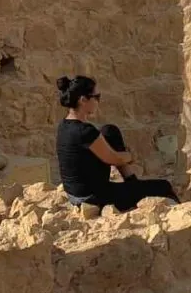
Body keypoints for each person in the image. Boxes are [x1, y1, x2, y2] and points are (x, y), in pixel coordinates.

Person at [55, 75, 177, 212]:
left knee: (109, 131)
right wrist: (130, 156)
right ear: (83, 100)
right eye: (96, 97)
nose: (98, 101)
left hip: (76, 193)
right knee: (163, 186)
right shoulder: (85, 131)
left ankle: (133, 183)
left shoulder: (64, 125)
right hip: (91, 198)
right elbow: (114, 158)